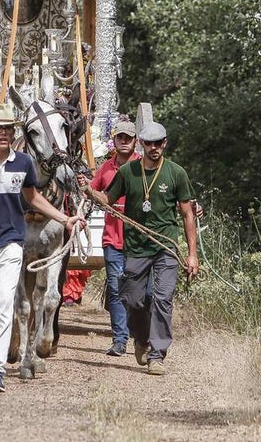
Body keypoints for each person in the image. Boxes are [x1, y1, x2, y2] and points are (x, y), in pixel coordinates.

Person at [0, 101, 84, 393]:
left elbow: (33, 198)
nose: (4, 133)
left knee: (6, 304)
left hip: (11, 244)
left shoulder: (22, 163)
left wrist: (64, 218)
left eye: (8, 128)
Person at [83, 121, 199, 376]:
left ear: (165, 143)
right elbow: (108, 201)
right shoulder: (127, 172)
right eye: (150, 143)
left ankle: (157, 354)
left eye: (159, 143)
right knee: (132, 299)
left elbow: (188, 215)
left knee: (162, 298)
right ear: (142, 145)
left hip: (165, 245)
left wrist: (192, 254)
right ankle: (141, 338)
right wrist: (90, 191)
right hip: (135, 248)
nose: (155, 148)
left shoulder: (176, 173)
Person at [88, 119, 140, 355]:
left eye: (129, 138)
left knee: (139, 291)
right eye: (120, 137)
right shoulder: (106, 168)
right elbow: (93, 191)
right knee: (117, 288)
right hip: (112, 238)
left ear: (135, 141)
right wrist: (86, 188)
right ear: (114, 141)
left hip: (139, 239)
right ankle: (120, 339)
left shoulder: (144, 166)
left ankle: (139, 333)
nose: (124, 142)